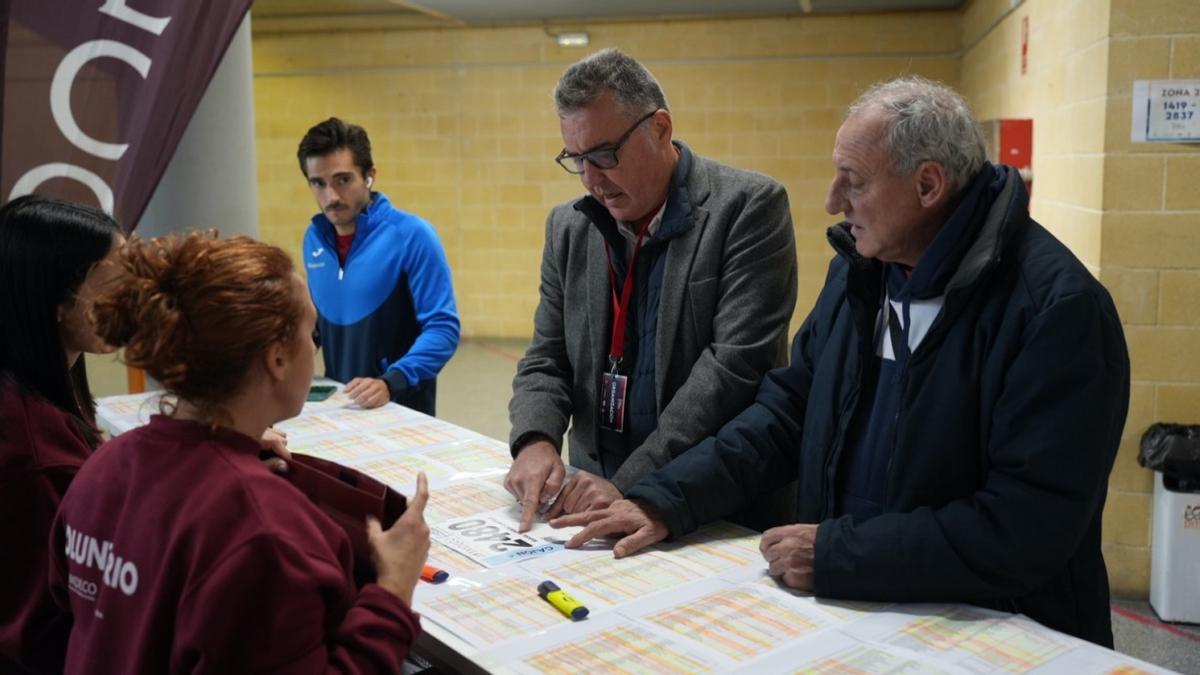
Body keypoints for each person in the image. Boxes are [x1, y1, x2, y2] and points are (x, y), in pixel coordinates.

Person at [554, 76, 1130, 647]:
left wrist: (839, 553)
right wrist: (663, 501)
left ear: (928, 185)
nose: (832, 201)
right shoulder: (863, 273)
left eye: (852, 182)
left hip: (1000, 637)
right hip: (868, 614)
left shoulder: (1056, 311)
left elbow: (1026, 526)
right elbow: (783, 415)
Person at [49, 232, 430, 672]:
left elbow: (76, 602)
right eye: (312, 331)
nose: (315, 346)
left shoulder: (102, 465)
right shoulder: (265, 532)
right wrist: (393, 589)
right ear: (277, 359)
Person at [505, 48, 798, 531]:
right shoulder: (568, 227)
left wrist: (635, 480)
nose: (592, 179)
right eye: (576, 159)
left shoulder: (748, 208)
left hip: (710, 506)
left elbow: (735, 370)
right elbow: (547, 354)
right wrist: (534, 440)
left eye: (604, 154)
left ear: (660, 128)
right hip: (593, 497)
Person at [0, 196, 123, 673]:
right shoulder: (34, 454)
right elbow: (46, 626)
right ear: (58, 300)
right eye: (117, 284)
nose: (135, 300)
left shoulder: (44, 390)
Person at [298, 117, 460, 414]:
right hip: (341, 407)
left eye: (343, 180)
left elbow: (443, 328)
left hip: (401, 409)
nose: (331, 196)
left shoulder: (412, 235)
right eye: (318, 183)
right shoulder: (314, 239)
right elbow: (316, 325)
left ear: (369, 175)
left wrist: (391, 381)